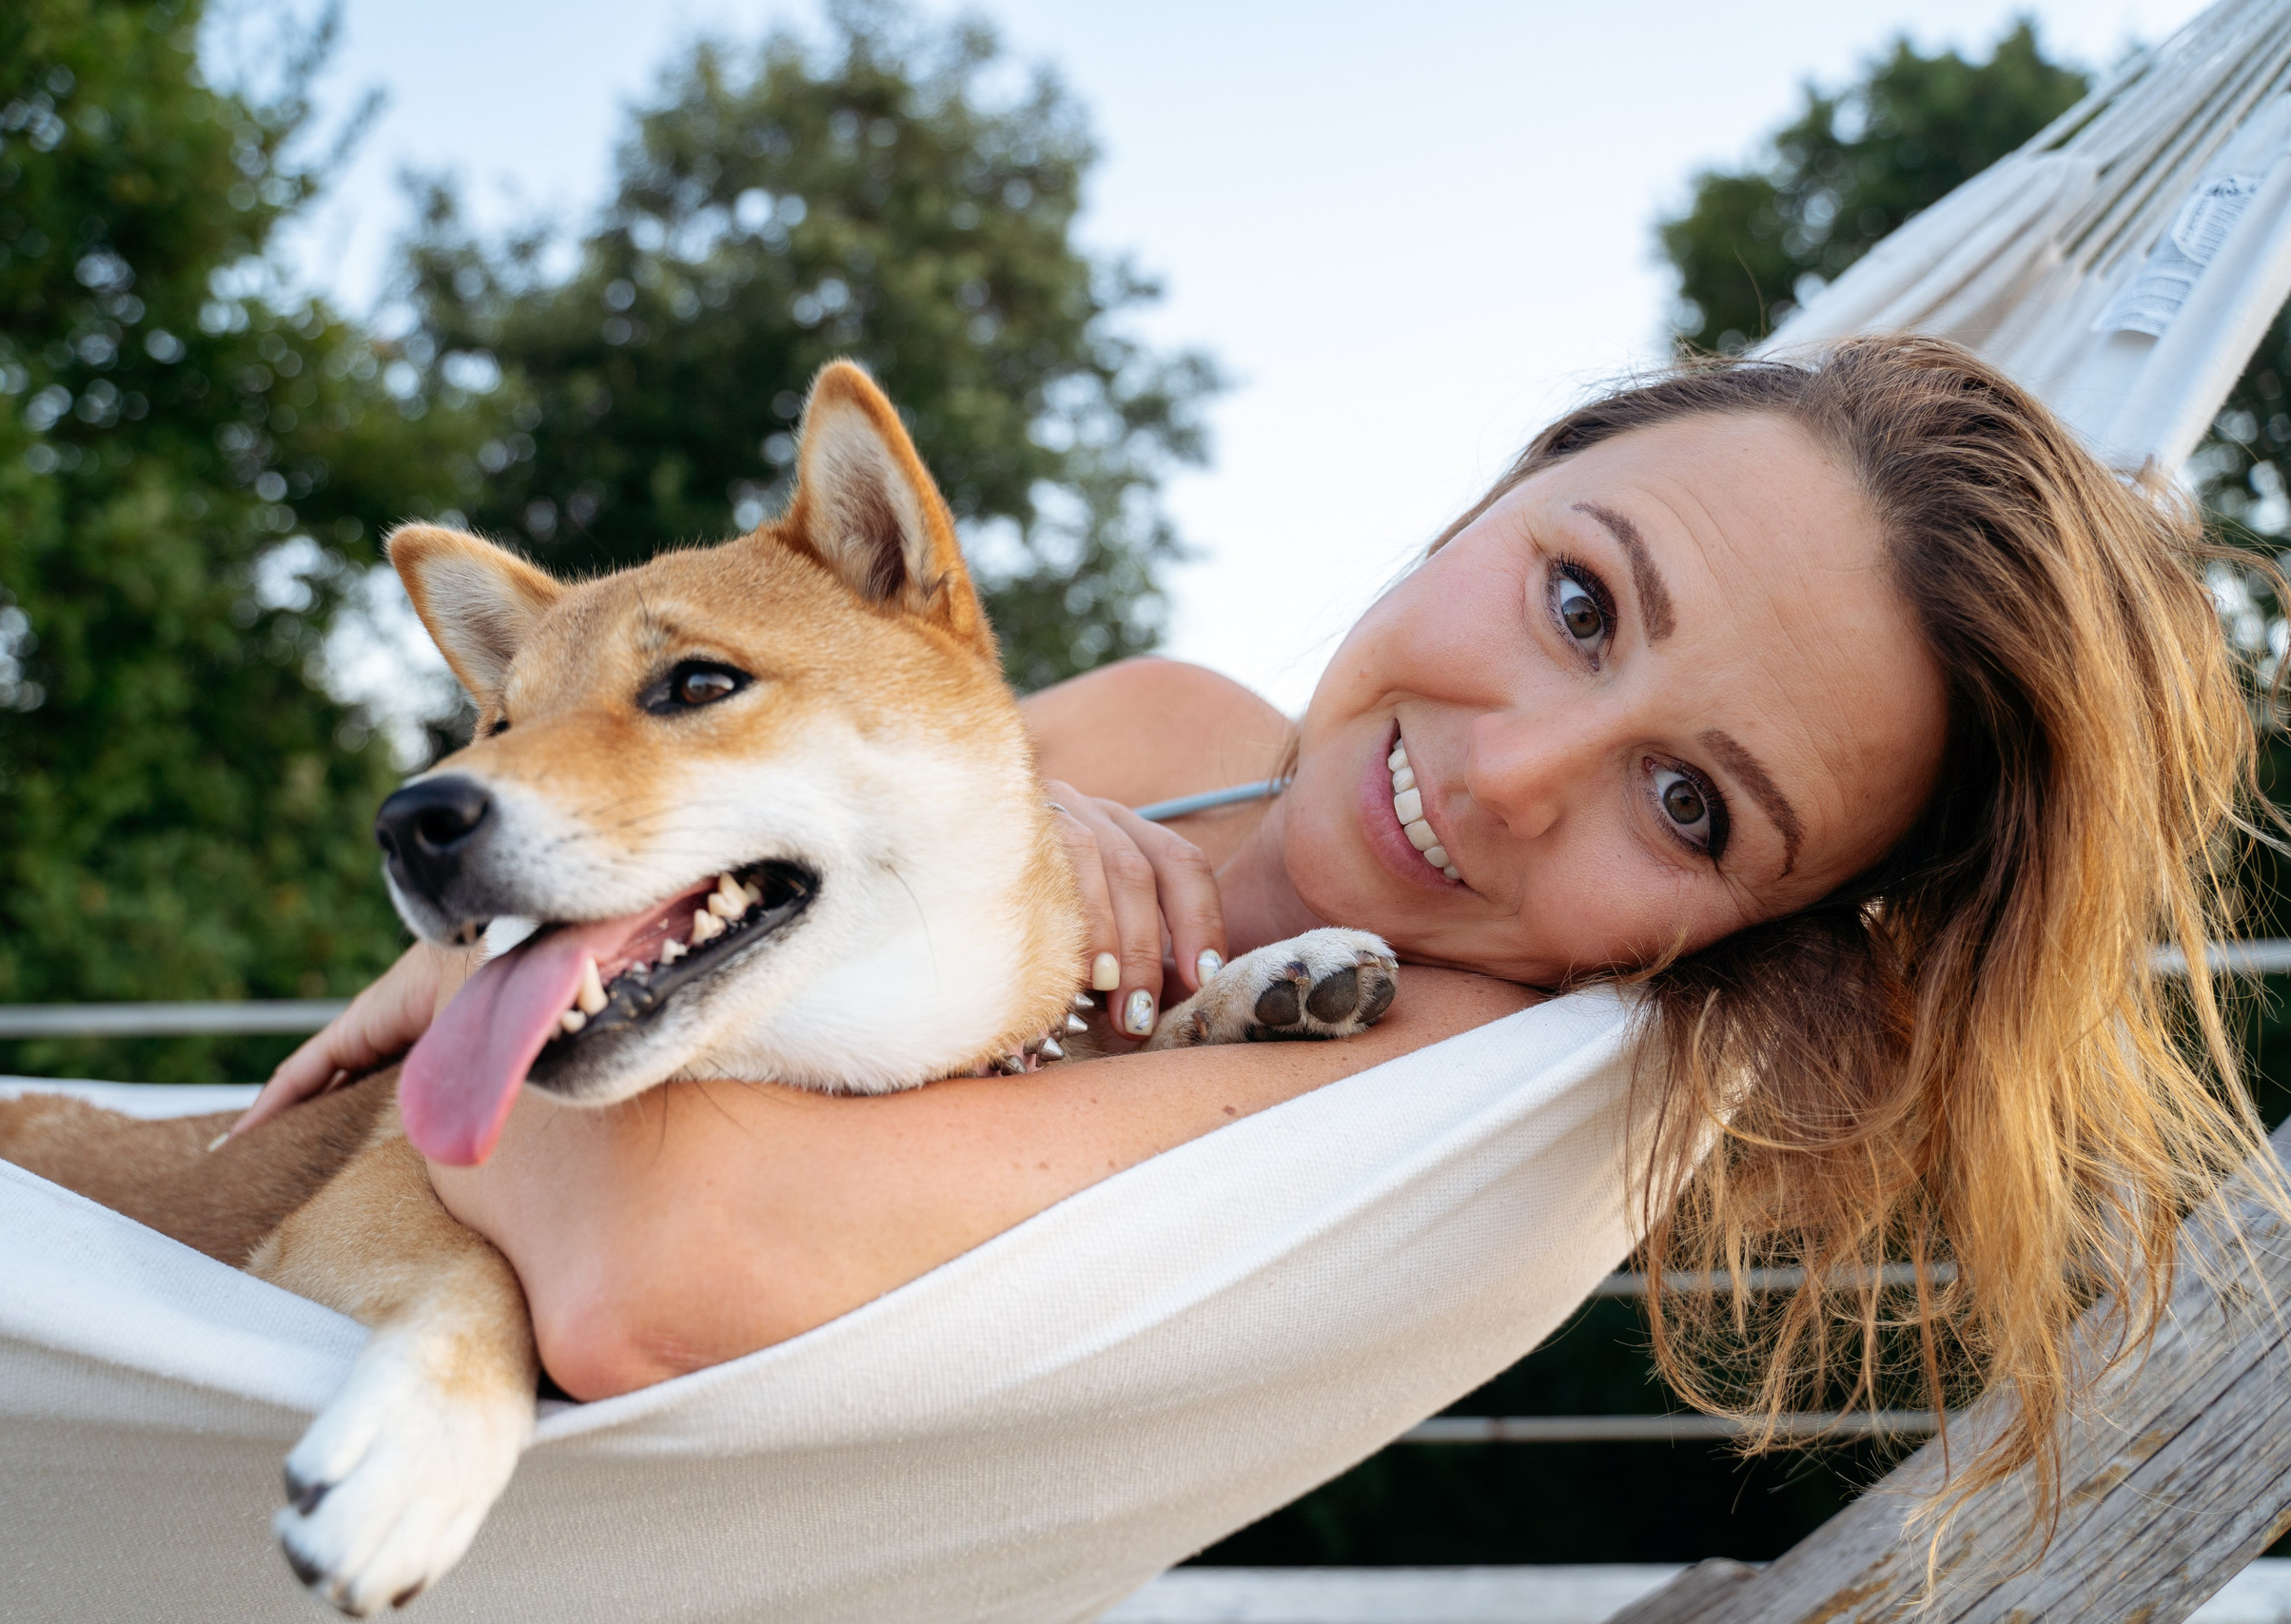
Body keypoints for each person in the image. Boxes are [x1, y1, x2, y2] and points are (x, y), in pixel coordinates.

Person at [232, 335, 2273, 1527]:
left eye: (1687, 805)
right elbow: (721, 835)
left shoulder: (1462, 1076)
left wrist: (515, 979)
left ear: (1757, 929)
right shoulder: (1179, 732)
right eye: (1576, 598)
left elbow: (641, 1264)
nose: (1497, 778)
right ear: (1503, 488)